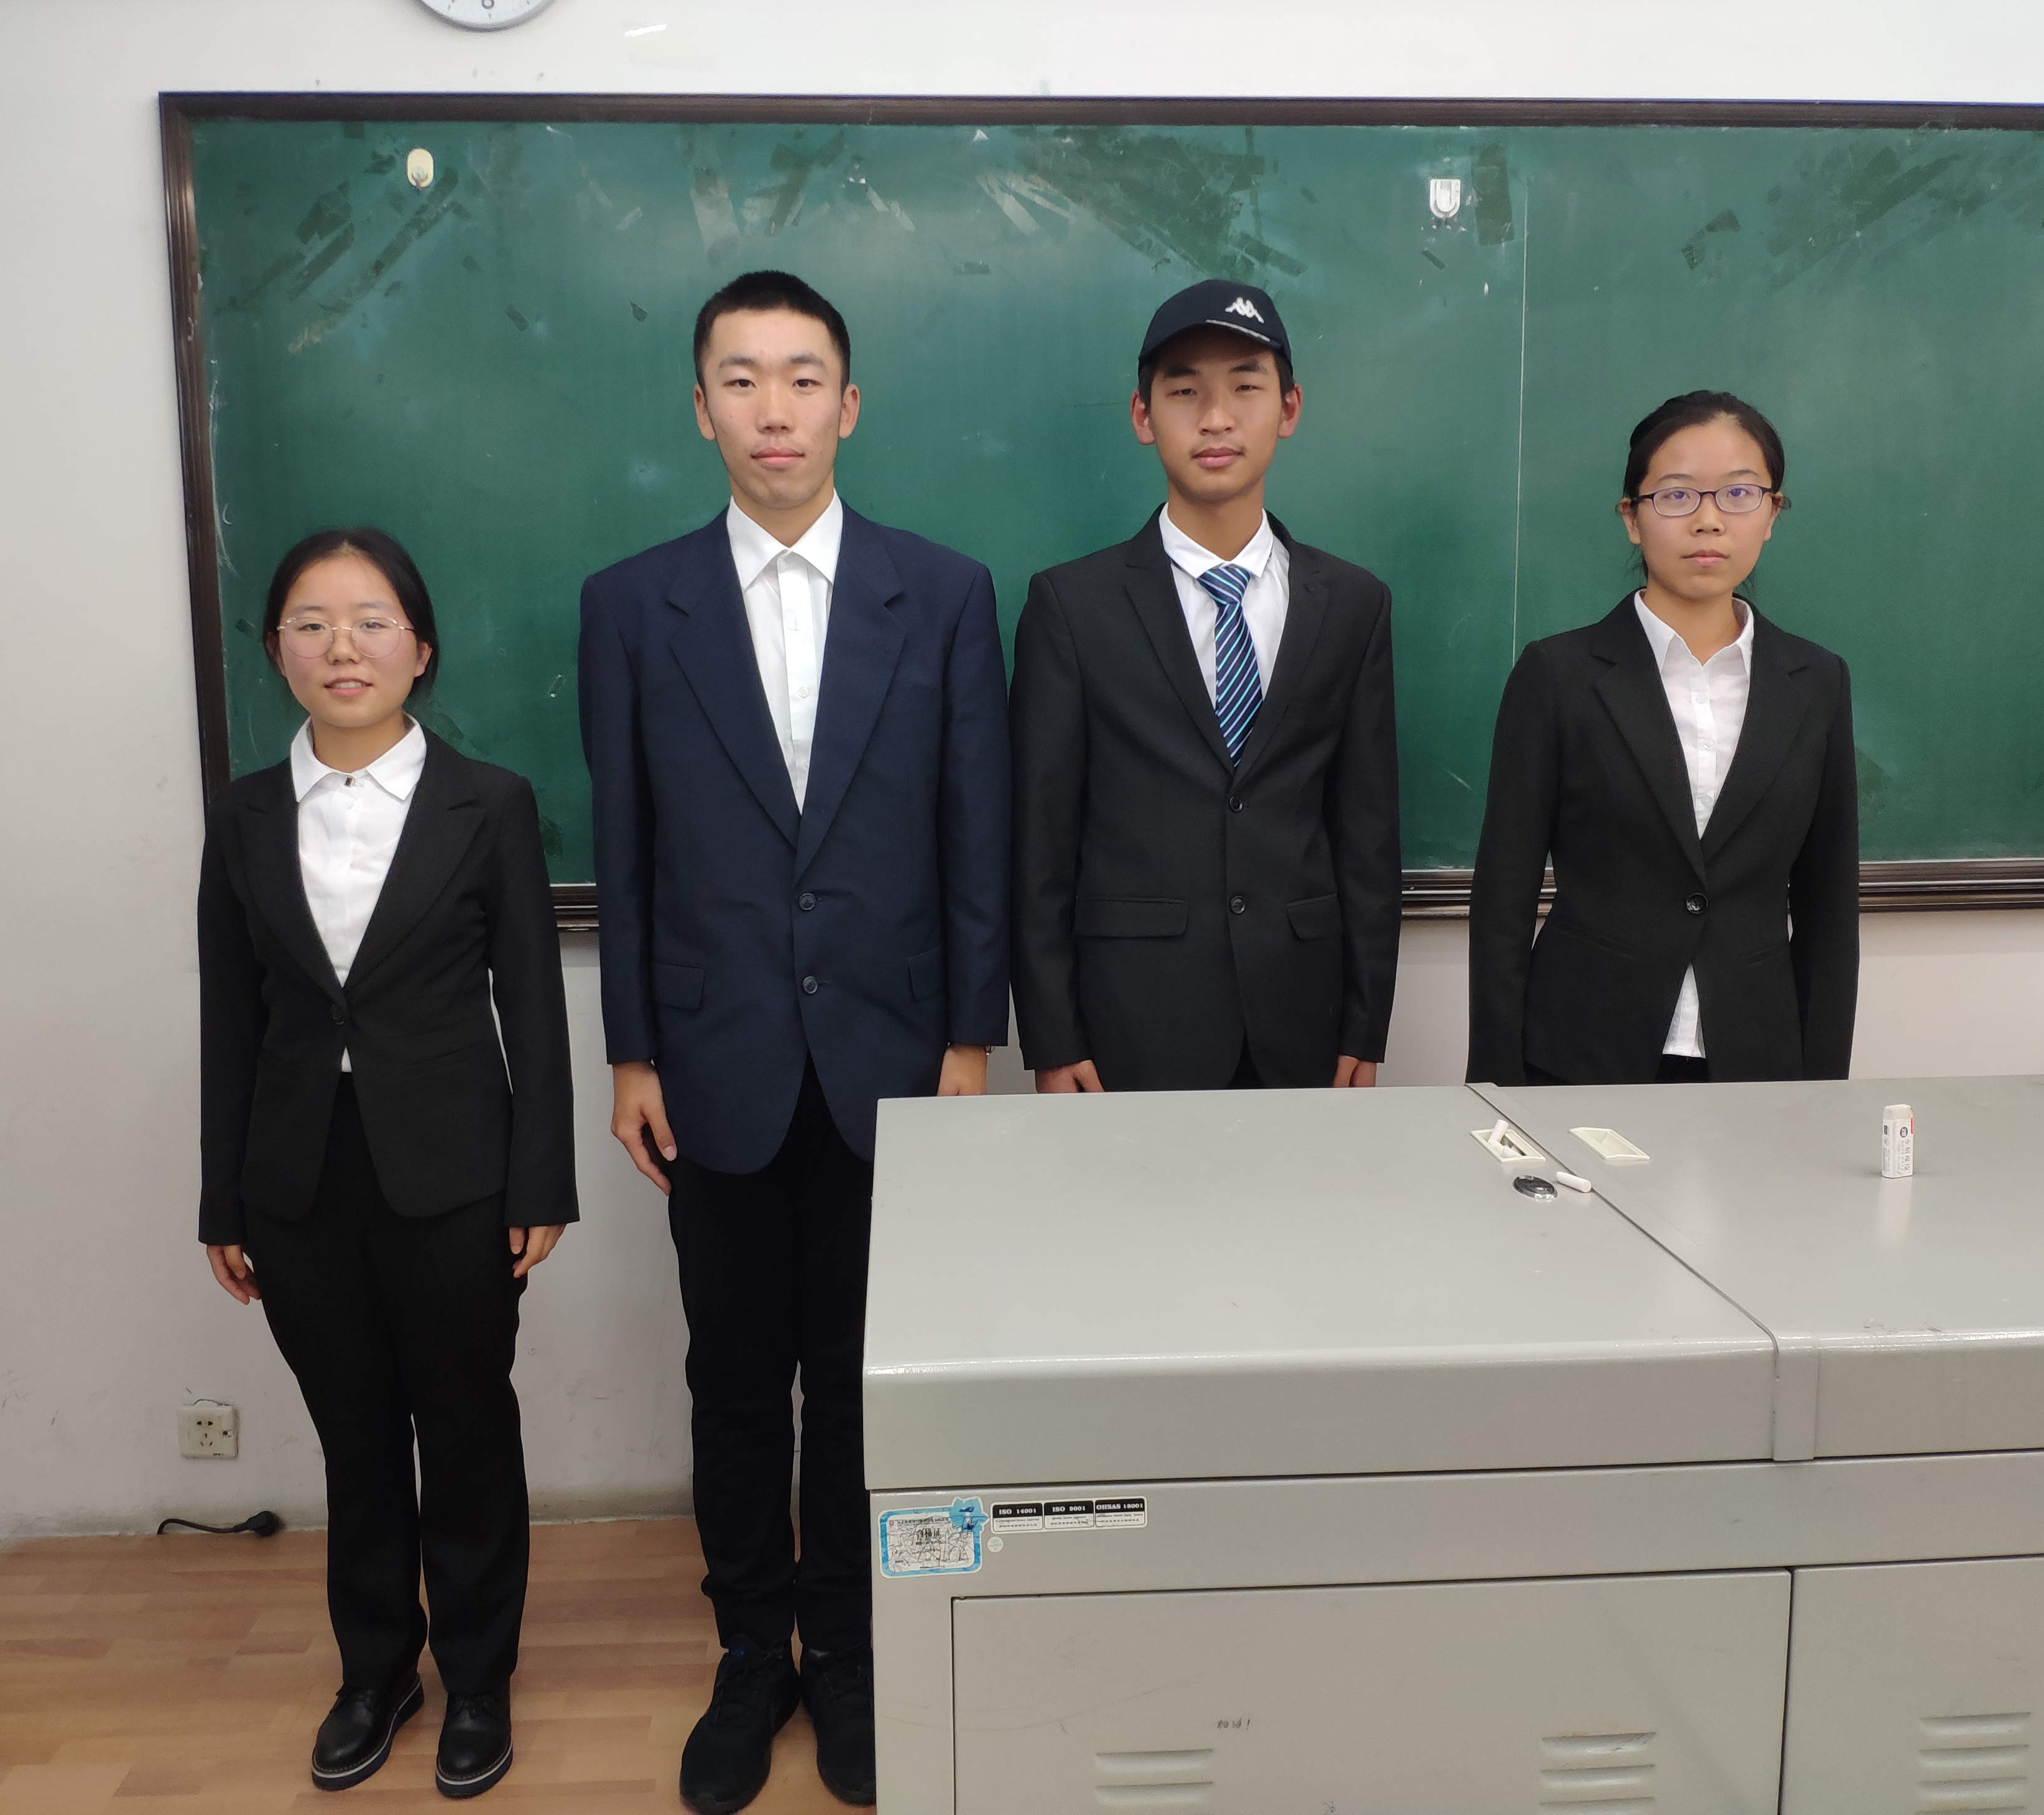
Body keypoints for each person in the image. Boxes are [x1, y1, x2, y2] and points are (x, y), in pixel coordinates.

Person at [578, 270, 1009, 1812]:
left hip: (899, 1060)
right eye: (744, 380)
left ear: (850, 404)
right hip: (716, 1062)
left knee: (864, 1376)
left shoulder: (942, 592)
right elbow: (624, 848)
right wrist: (633, 1052)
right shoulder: (634, 605)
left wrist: (970, 1042)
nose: (776, 409)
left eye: (804, 377)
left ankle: (852, 1653)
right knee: (738, 1381)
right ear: (701, 409)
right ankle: (751, 1651)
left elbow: (976, 832)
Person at [198, 528, 574, 1799]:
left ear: (421, 647)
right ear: (276, 652)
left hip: (455, 1169)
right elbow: (230, 1017)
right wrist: (222, 1196)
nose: (341, 647)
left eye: (371, 621)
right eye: (311, 624)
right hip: (297, 1176)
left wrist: (540, 1181)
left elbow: (533, 1004)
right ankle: (375, 1670)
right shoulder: (244, 814)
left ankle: (478, 1676)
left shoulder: (490, 802)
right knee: (352, 1432)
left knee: (465, 1427)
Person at [1009, 279, 1399, 1095]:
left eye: (1245, 388)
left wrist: (1366, 1024)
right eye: (1185, 392)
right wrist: (1051, 1037)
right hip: (1130, 1024)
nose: (1216, 418)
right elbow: (1040, 844)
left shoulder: (1353, 604)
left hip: (1303, 1020)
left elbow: (1366, 835)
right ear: (1143, 416)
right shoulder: (1073, 606)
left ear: (1289, 408)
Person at [1466, 390, 1859, 1087]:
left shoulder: (1816, 682)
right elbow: (1503, 902)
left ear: (1772, 513)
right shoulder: (1559, 675)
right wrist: (1496, 1086)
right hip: (1579, 1052)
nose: (1709, 519)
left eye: (1739, 493)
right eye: (1676, 495)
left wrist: (1823, 1089)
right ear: (1632, 517)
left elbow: (1829, 912)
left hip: (1757, 1060)